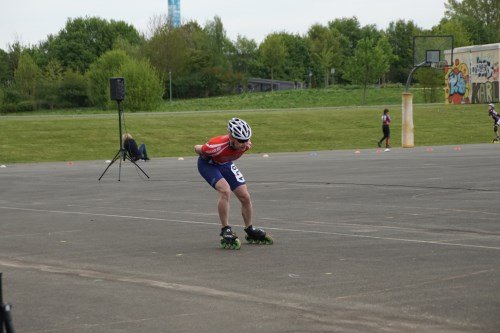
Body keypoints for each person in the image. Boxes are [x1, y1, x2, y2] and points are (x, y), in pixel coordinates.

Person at [194, 118, 273, 249]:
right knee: (225, 190)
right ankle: (225, 229)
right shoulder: (215, 146)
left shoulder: (247, 145)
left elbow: (233, 153)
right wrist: (203, 148)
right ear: (231, 137)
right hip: (208, 165)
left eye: (247, 139)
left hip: (225, 163)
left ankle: (249, 229)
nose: (245, 143)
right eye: (241, 140)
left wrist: (242, 143)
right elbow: (197, 148)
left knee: (245, 196)